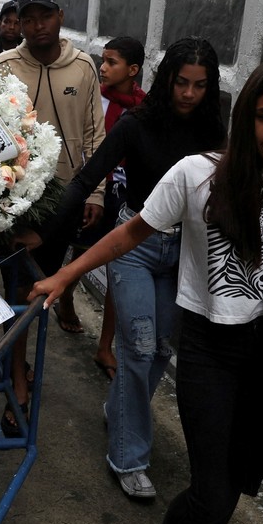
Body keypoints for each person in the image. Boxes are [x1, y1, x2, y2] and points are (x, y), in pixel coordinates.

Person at [26, 59, 263, 524]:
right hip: (210, 348)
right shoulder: (198, 173)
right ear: (246, 115)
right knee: (213, 492)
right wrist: (65, 275)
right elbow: (130, 234)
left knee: (240, 477)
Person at [23, 37, 224, 500]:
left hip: (185, 252)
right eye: (181, 82)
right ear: (167, 79)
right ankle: (129, 458)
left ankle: (119, 409)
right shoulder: (137, 123)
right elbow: (85, 180)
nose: (189, 93)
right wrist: (45, 232)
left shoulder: (213, 131)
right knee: (137, 347)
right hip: (134, 245)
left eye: (199, 85)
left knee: (160, 350)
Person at [0, 0, 106, 436]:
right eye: (27, 18)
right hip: (15, 196)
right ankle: (17, 382)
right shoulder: (4, 66)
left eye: (44, 16)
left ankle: (16, 359)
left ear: (59, 16)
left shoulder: (83, 66)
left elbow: (95, 134)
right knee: (18, 287)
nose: (37, 26)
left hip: (66, 198)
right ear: (19, 23)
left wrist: (94, 194)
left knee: (41, 288)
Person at [87, 36, 147, 379]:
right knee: (82, 250)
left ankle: (105, 345)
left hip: (126, 194)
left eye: (111, 62)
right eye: (103, 60)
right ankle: (66, 302)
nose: (103, 67)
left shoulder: (144, 108)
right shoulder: (94, 97)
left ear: (133, 70)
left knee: (116, 265)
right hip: (94, 186)